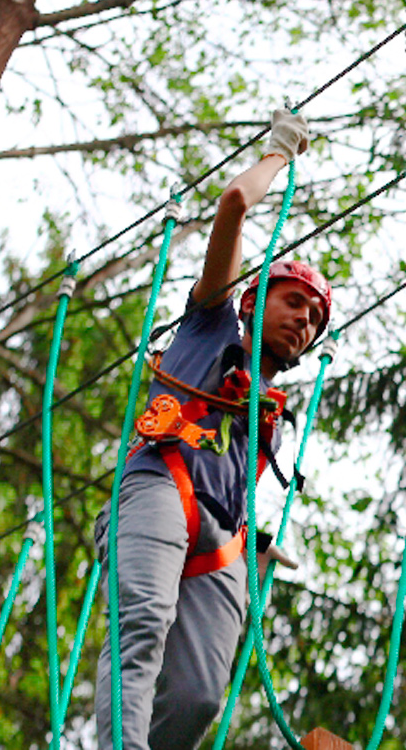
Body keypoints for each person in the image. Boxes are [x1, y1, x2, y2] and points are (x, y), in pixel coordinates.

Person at [94, 110, 331, 750]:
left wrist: (254, 544)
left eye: (313, 319)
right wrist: (279, 154)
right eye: (294, 303)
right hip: (157, 488)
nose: (303, 321)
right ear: (256, 301)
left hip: (221, 535)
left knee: (201, 696)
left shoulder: (270, 419)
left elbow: (232, 482)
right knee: (143, 619)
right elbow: (232, 206)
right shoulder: (211, 325)